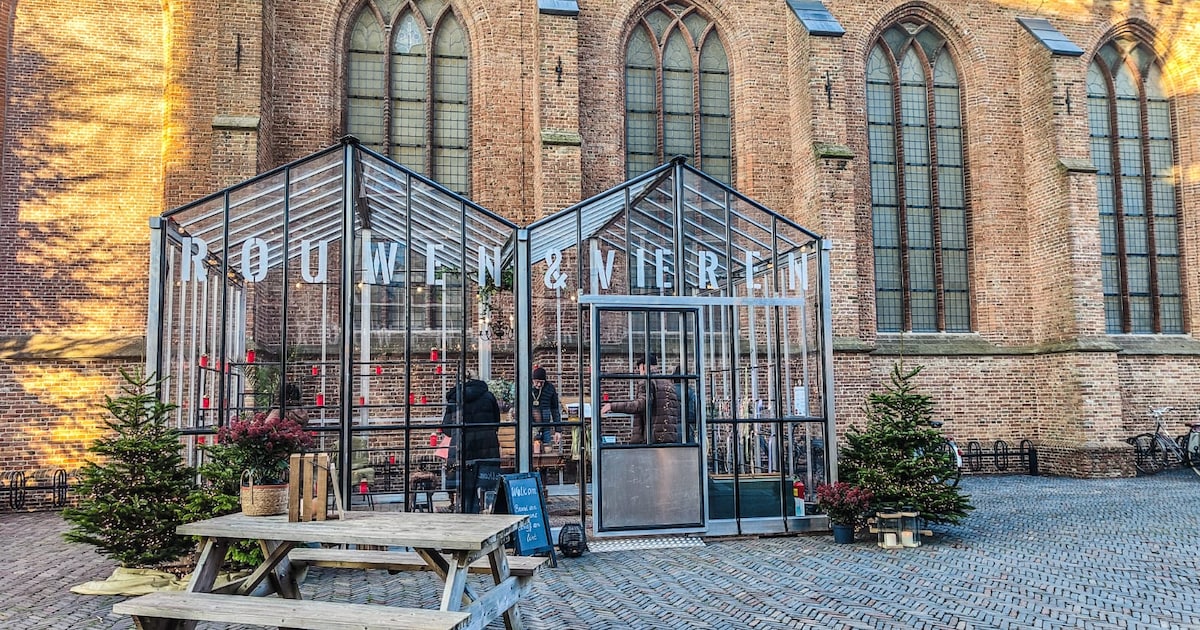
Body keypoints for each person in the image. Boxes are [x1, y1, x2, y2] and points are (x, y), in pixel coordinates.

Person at [444, 377, 501, 513]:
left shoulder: (455, 398)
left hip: (463, 450)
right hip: (487, 449)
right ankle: (485, 514)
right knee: (486, 489)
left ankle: (467, 517)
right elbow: (496, 423)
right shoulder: (488, 397)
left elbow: (446, 428)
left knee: (465, 490)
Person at [600, 354, 680, 444]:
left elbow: (640, 405)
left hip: (652, 438)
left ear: (642, 367)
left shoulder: (646, 382)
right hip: (669, 437)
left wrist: (612, 406)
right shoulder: (669, 384)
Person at [530, 366, 562, 451]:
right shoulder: (527, 388)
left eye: (542, 382)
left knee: (547, 449)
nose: (539, 385)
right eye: (537, 382)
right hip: (531, 425)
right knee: (533, 449)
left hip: (546, 425)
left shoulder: (550, 388)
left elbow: (555, 410)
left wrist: (558, 430)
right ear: (533, 380)